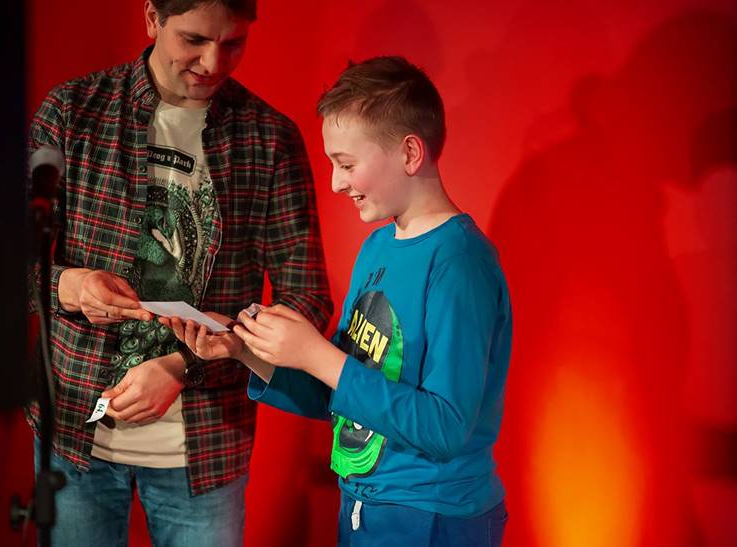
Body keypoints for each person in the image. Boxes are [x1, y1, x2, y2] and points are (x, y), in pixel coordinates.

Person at [167, 56, 513, 546]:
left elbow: (446, 426)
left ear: (410, 153)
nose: (335, 182)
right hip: (364, 506)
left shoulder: (459, 262)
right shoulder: (377, 247)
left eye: (347, 164)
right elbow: (343, 391)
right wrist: (245, 349)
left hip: (430, 516)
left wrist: (316, 354)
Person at [26, 1, 332, 545]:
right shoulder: (72, 111)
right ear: (152, 18)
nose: (213, 62)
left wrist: (185, 366)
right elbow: (0, 258)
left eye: (233, 44)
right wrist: (68, 286)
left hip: (206, 447)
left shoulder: (271, 138)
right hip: (74, 433)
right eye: (194, 39)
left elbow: (305, 299)